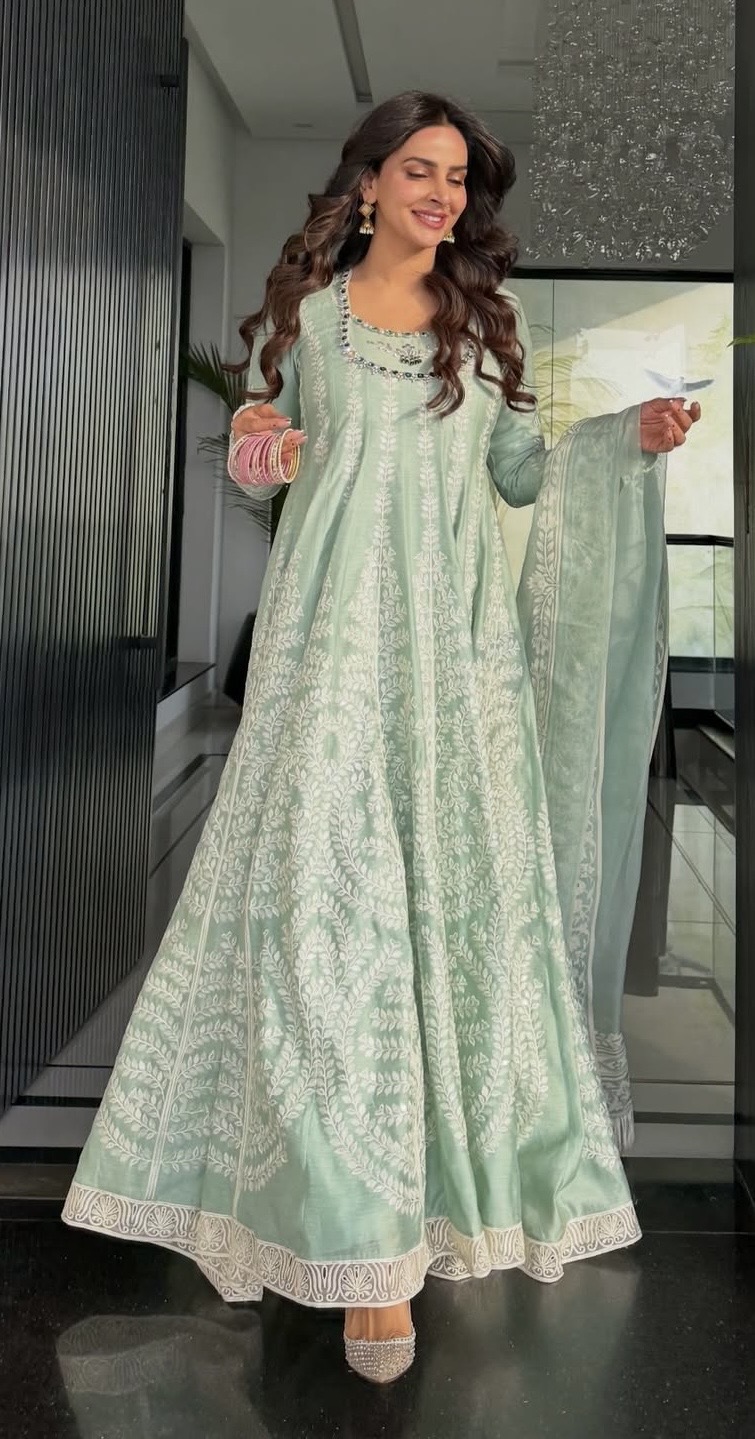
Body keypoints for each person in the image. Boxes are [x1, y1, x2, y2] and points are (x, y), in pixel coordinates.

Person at [63, 91, 700, 1385]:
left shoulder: (487, 322)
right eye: (420, 170)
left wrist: (621, 443)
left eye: (458, 177)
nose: (442, 194)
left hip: (458, 671)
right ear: (367, 183)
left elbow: (521, 476)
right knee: (325, 922)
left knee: (453, 921)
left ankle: (437, 1203)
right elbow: (262, 463)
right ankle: (360, 1248)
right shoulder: (308, 317)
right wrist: (261, 445)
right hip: (332, 657)